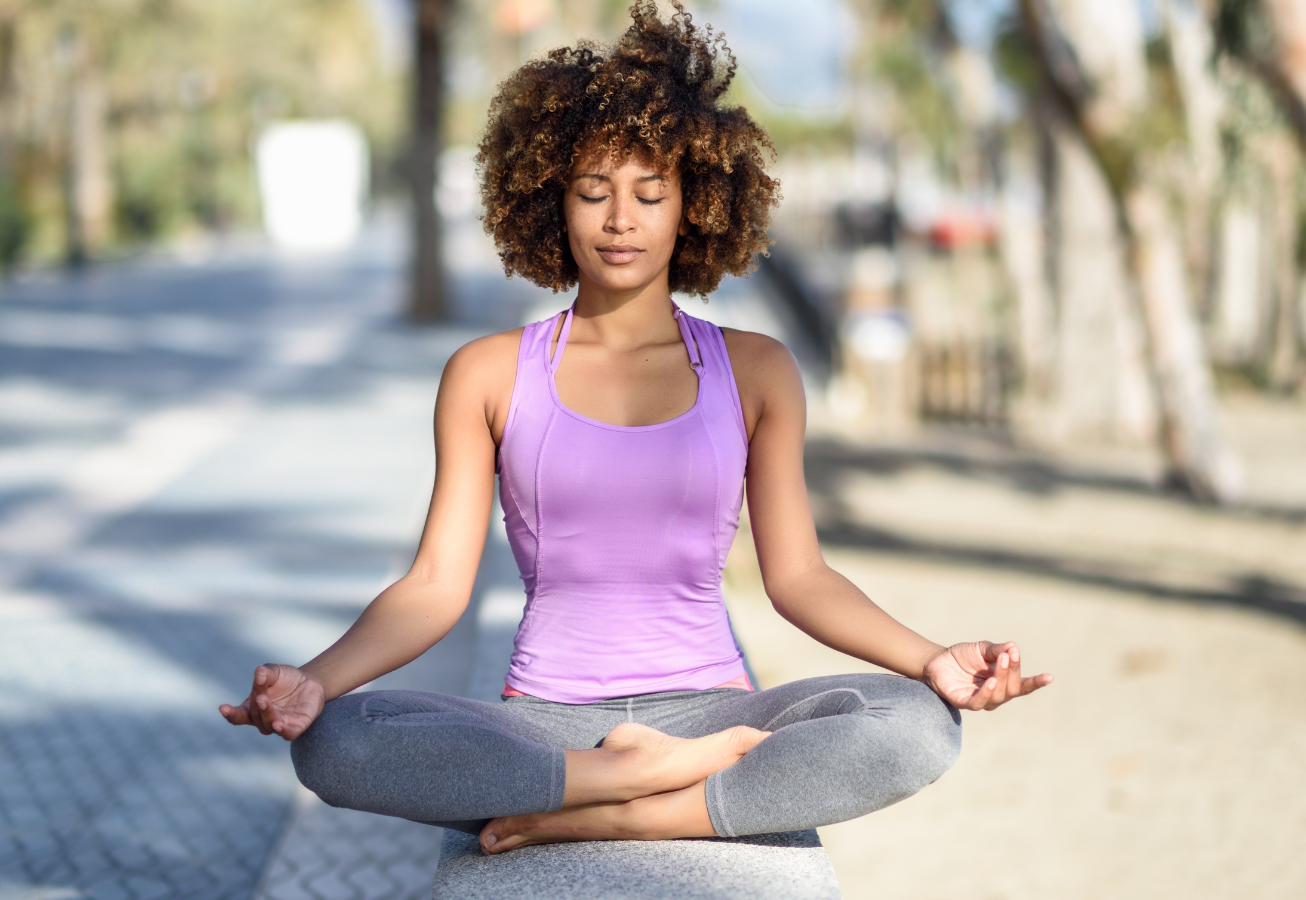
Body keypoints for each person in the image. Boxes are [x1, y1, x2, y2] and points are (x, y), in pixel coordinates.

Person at [221, 0, 1052, 855]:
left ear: (693, 204)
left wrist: (931, 661)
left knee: (919, 725)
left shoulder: (757, 370)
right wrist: (313, 683)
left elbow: (800, 577)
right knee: (336, 740)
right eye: (594, 193)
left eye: (650, 194)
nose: (621, 220)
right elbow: (434, 585)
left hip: (711, 708)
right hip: (545, 726)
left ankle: (640, 807)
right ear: (551, 200)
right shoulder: (487, 373)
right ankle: (613, 779)